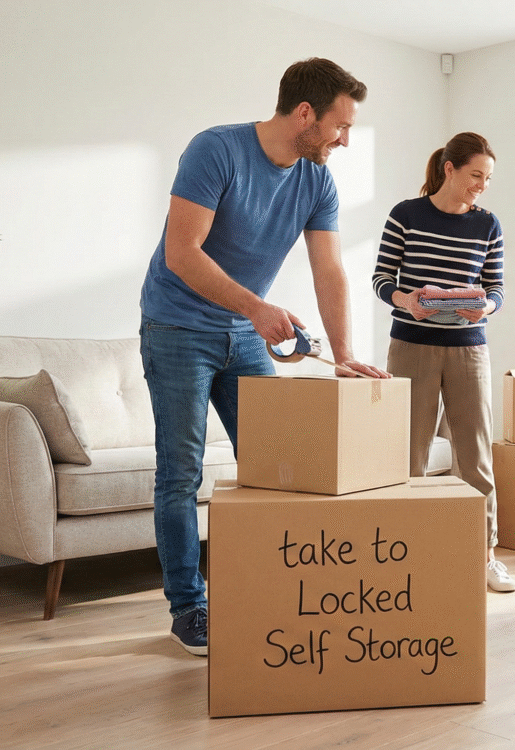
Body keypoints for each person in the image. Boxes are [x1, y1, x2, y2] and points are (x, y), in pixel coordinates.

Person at [139, 57, 390, 656]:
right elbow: (182, 253)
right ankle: (189, 608)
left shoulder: (316, 179)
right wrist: (257, 308)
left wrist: (346, 353)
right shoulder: (216, 151)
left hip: (243, 332)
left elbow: (328, 268)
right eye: (340, 125)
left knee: (277, 466)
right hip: (178, 325)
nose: (346, 139)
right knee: (181, 474)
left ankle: (265, 591)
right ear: (305, 114)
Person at [372, 132, 515, 593]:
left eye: (488, 178)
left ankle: (486, 555)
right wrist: (405, 298)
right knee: (408, 453)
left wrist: (486, 307)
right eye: (476, 175)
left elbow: (496, 288)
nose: (482, 185)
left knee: (475, 455)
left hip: (469, 348)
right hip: (411, 345)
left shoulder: (487, 224)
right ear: (449, 169)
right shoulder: (406, 215)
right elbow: (380, 278)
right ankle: (405, 551)